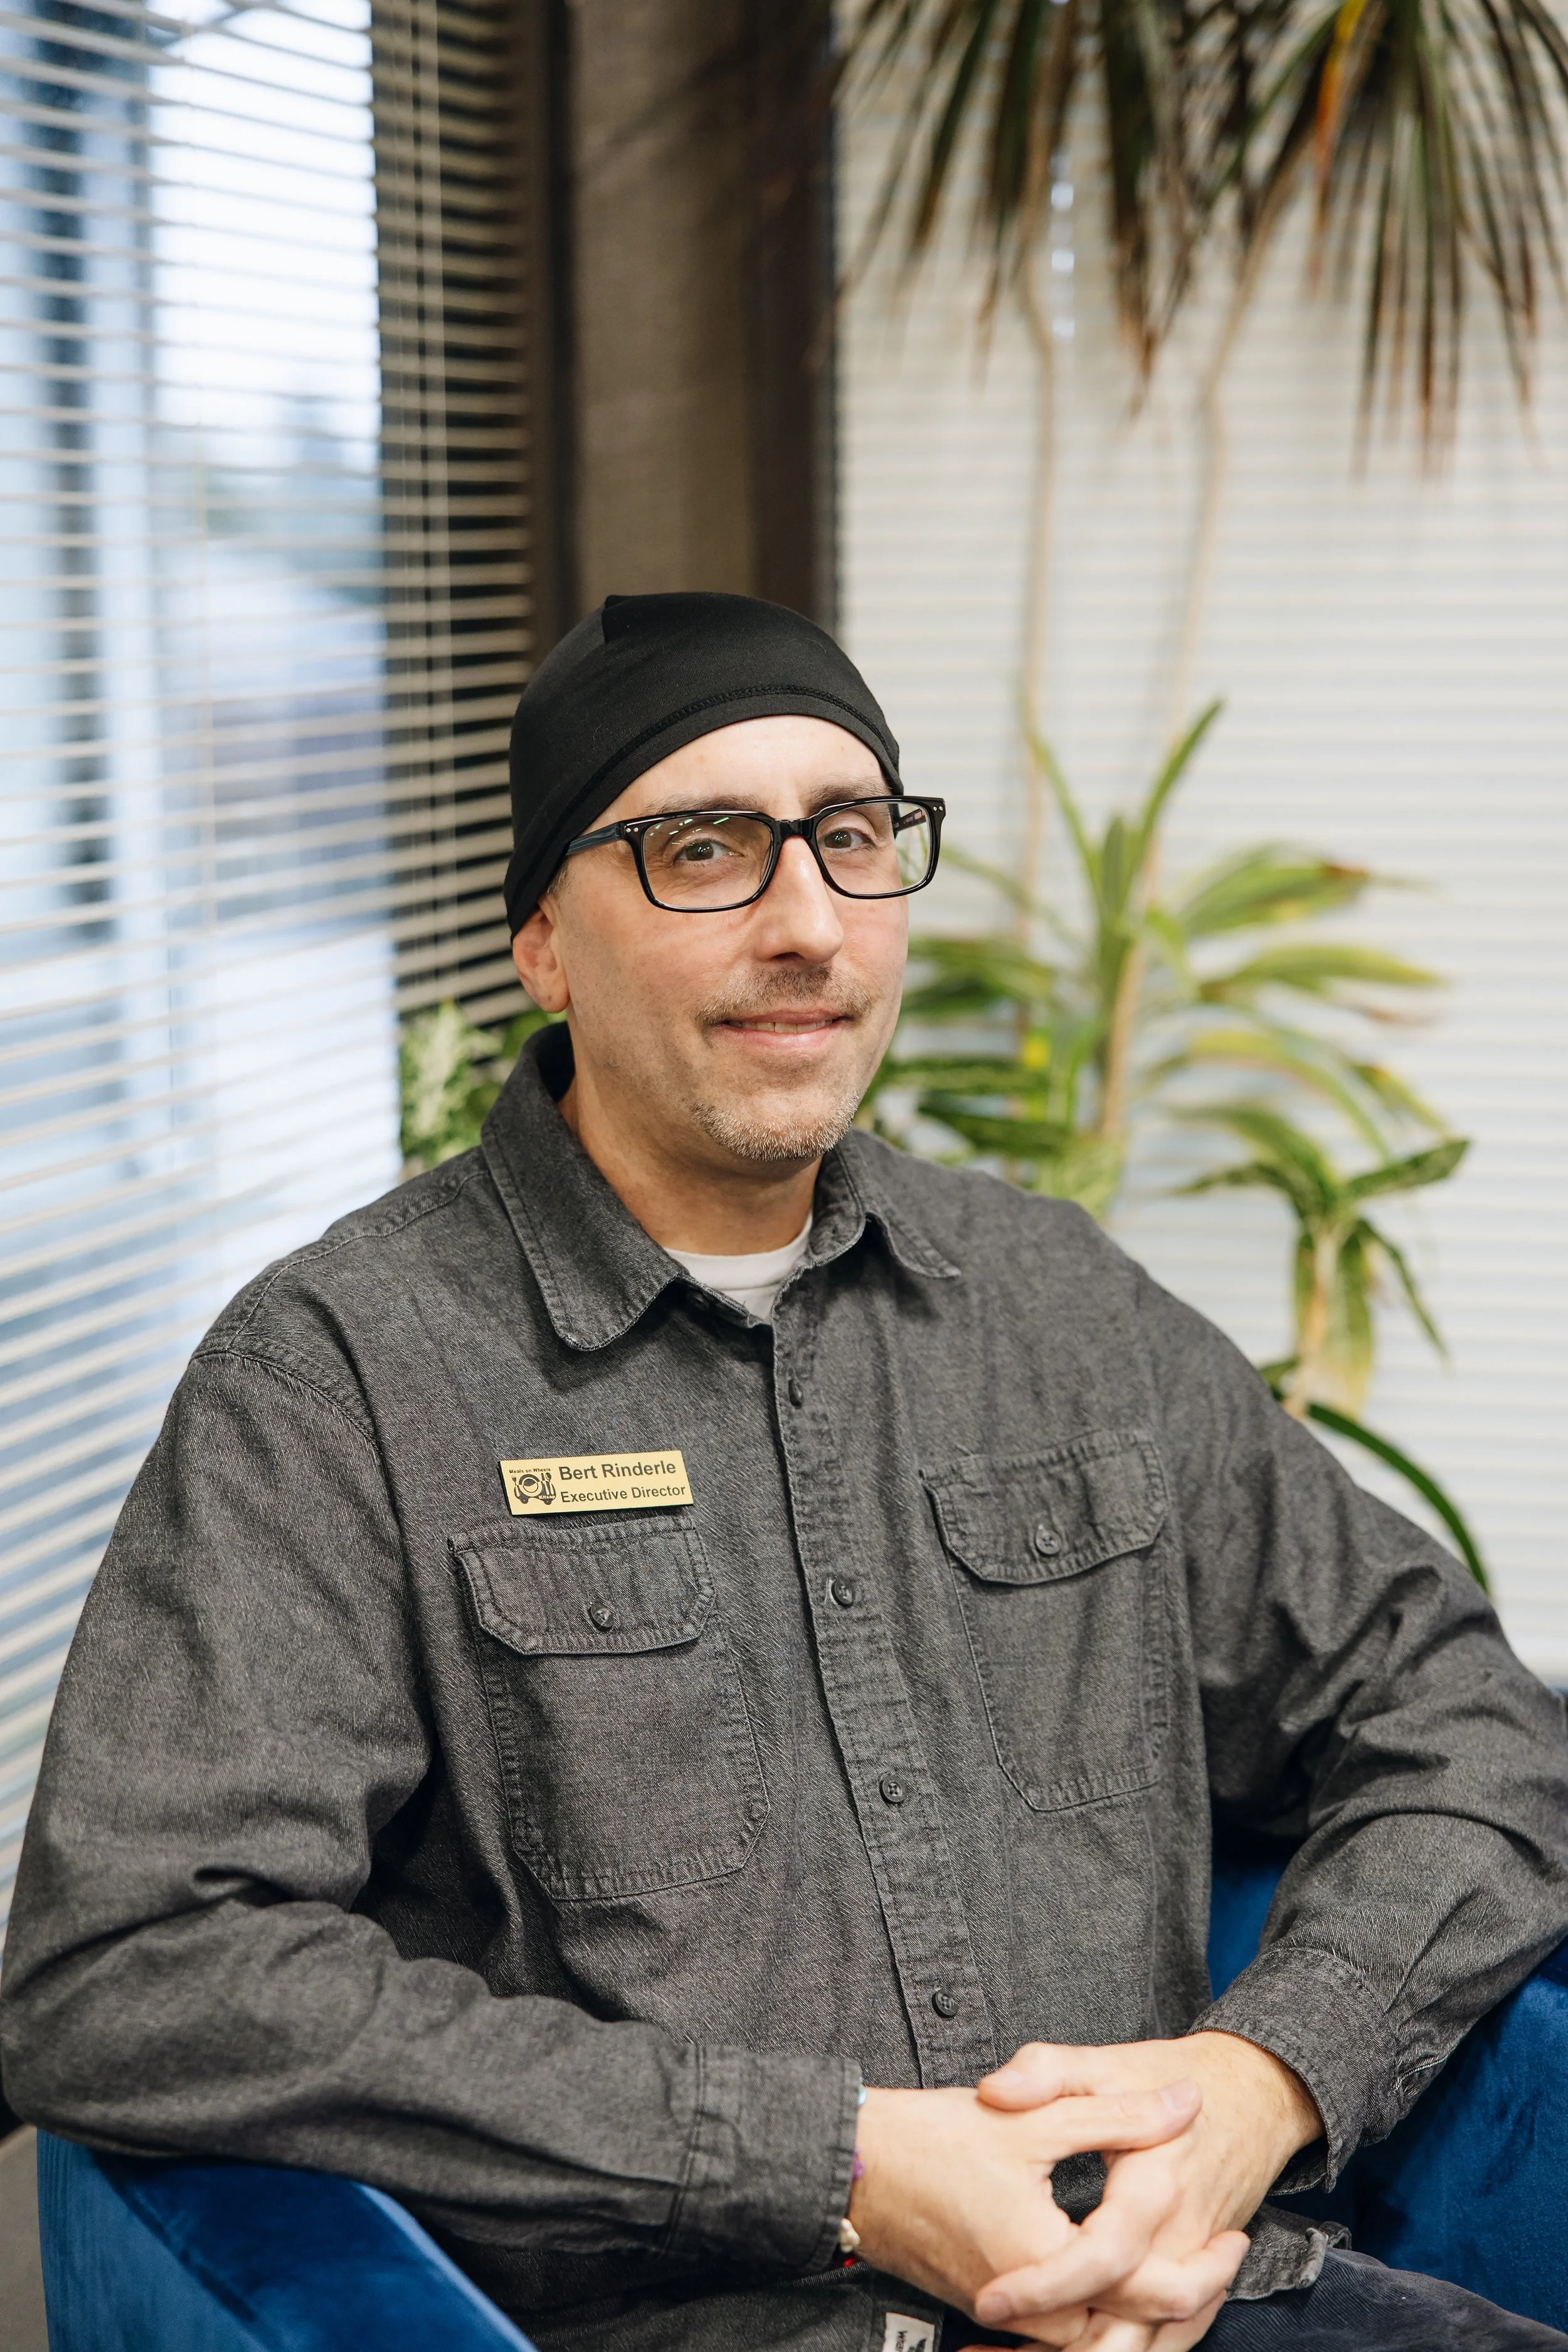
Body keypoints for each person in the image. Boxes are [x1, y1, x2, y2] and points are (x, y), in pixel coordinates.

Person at [3, 592, 1566, 2352]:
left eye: (848, 836)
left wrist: (1260, 2076)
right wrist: (832, 2163)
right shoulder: (344, 1370)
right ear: (540, 938)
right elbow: (128, 1967)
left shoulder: (1056, 1304)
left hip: (1204, 2300)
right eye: (700, 850)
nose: (808, 922)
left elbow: (1463, 1711)